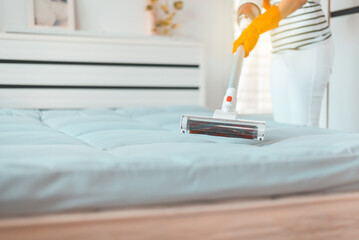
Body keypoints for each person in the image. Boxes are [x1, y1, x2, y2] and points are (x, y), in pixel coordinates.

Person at [233, 0, 333, 127]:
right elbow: (253, 4)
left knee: (304, 128)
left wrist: (257, 27)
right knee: (282, 125)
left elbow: (296, 1)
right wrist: (246, 15)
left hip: (310, 48)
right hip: (279, 53)